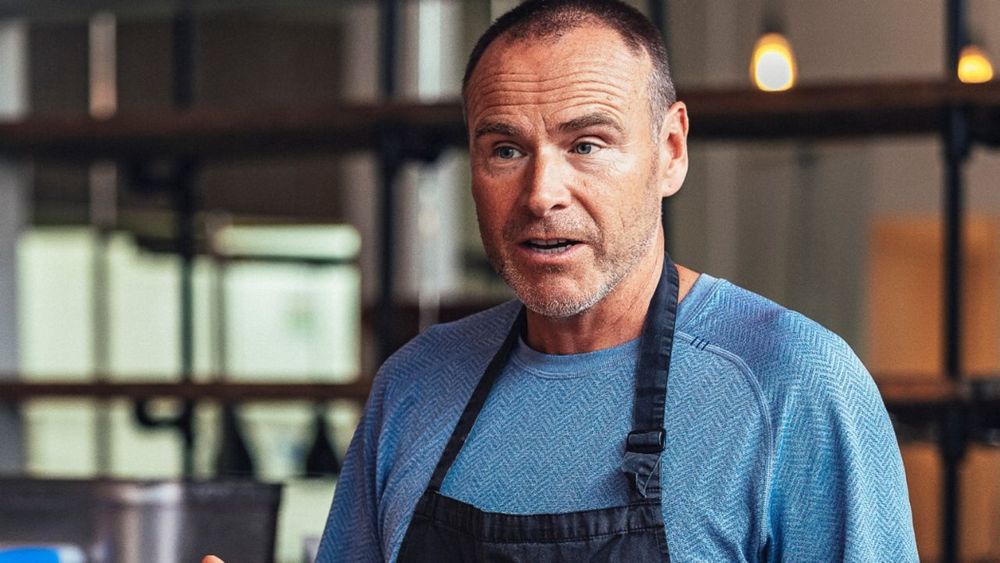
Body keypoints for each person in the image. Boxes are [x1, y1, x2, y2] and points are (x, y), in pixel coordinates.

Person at [310, 1, 918, 561]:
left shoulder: (792, 382)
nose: (542, 194)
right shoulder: (413, 386)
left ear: (671, 151)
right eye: (505, 150)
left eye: (586, 145)